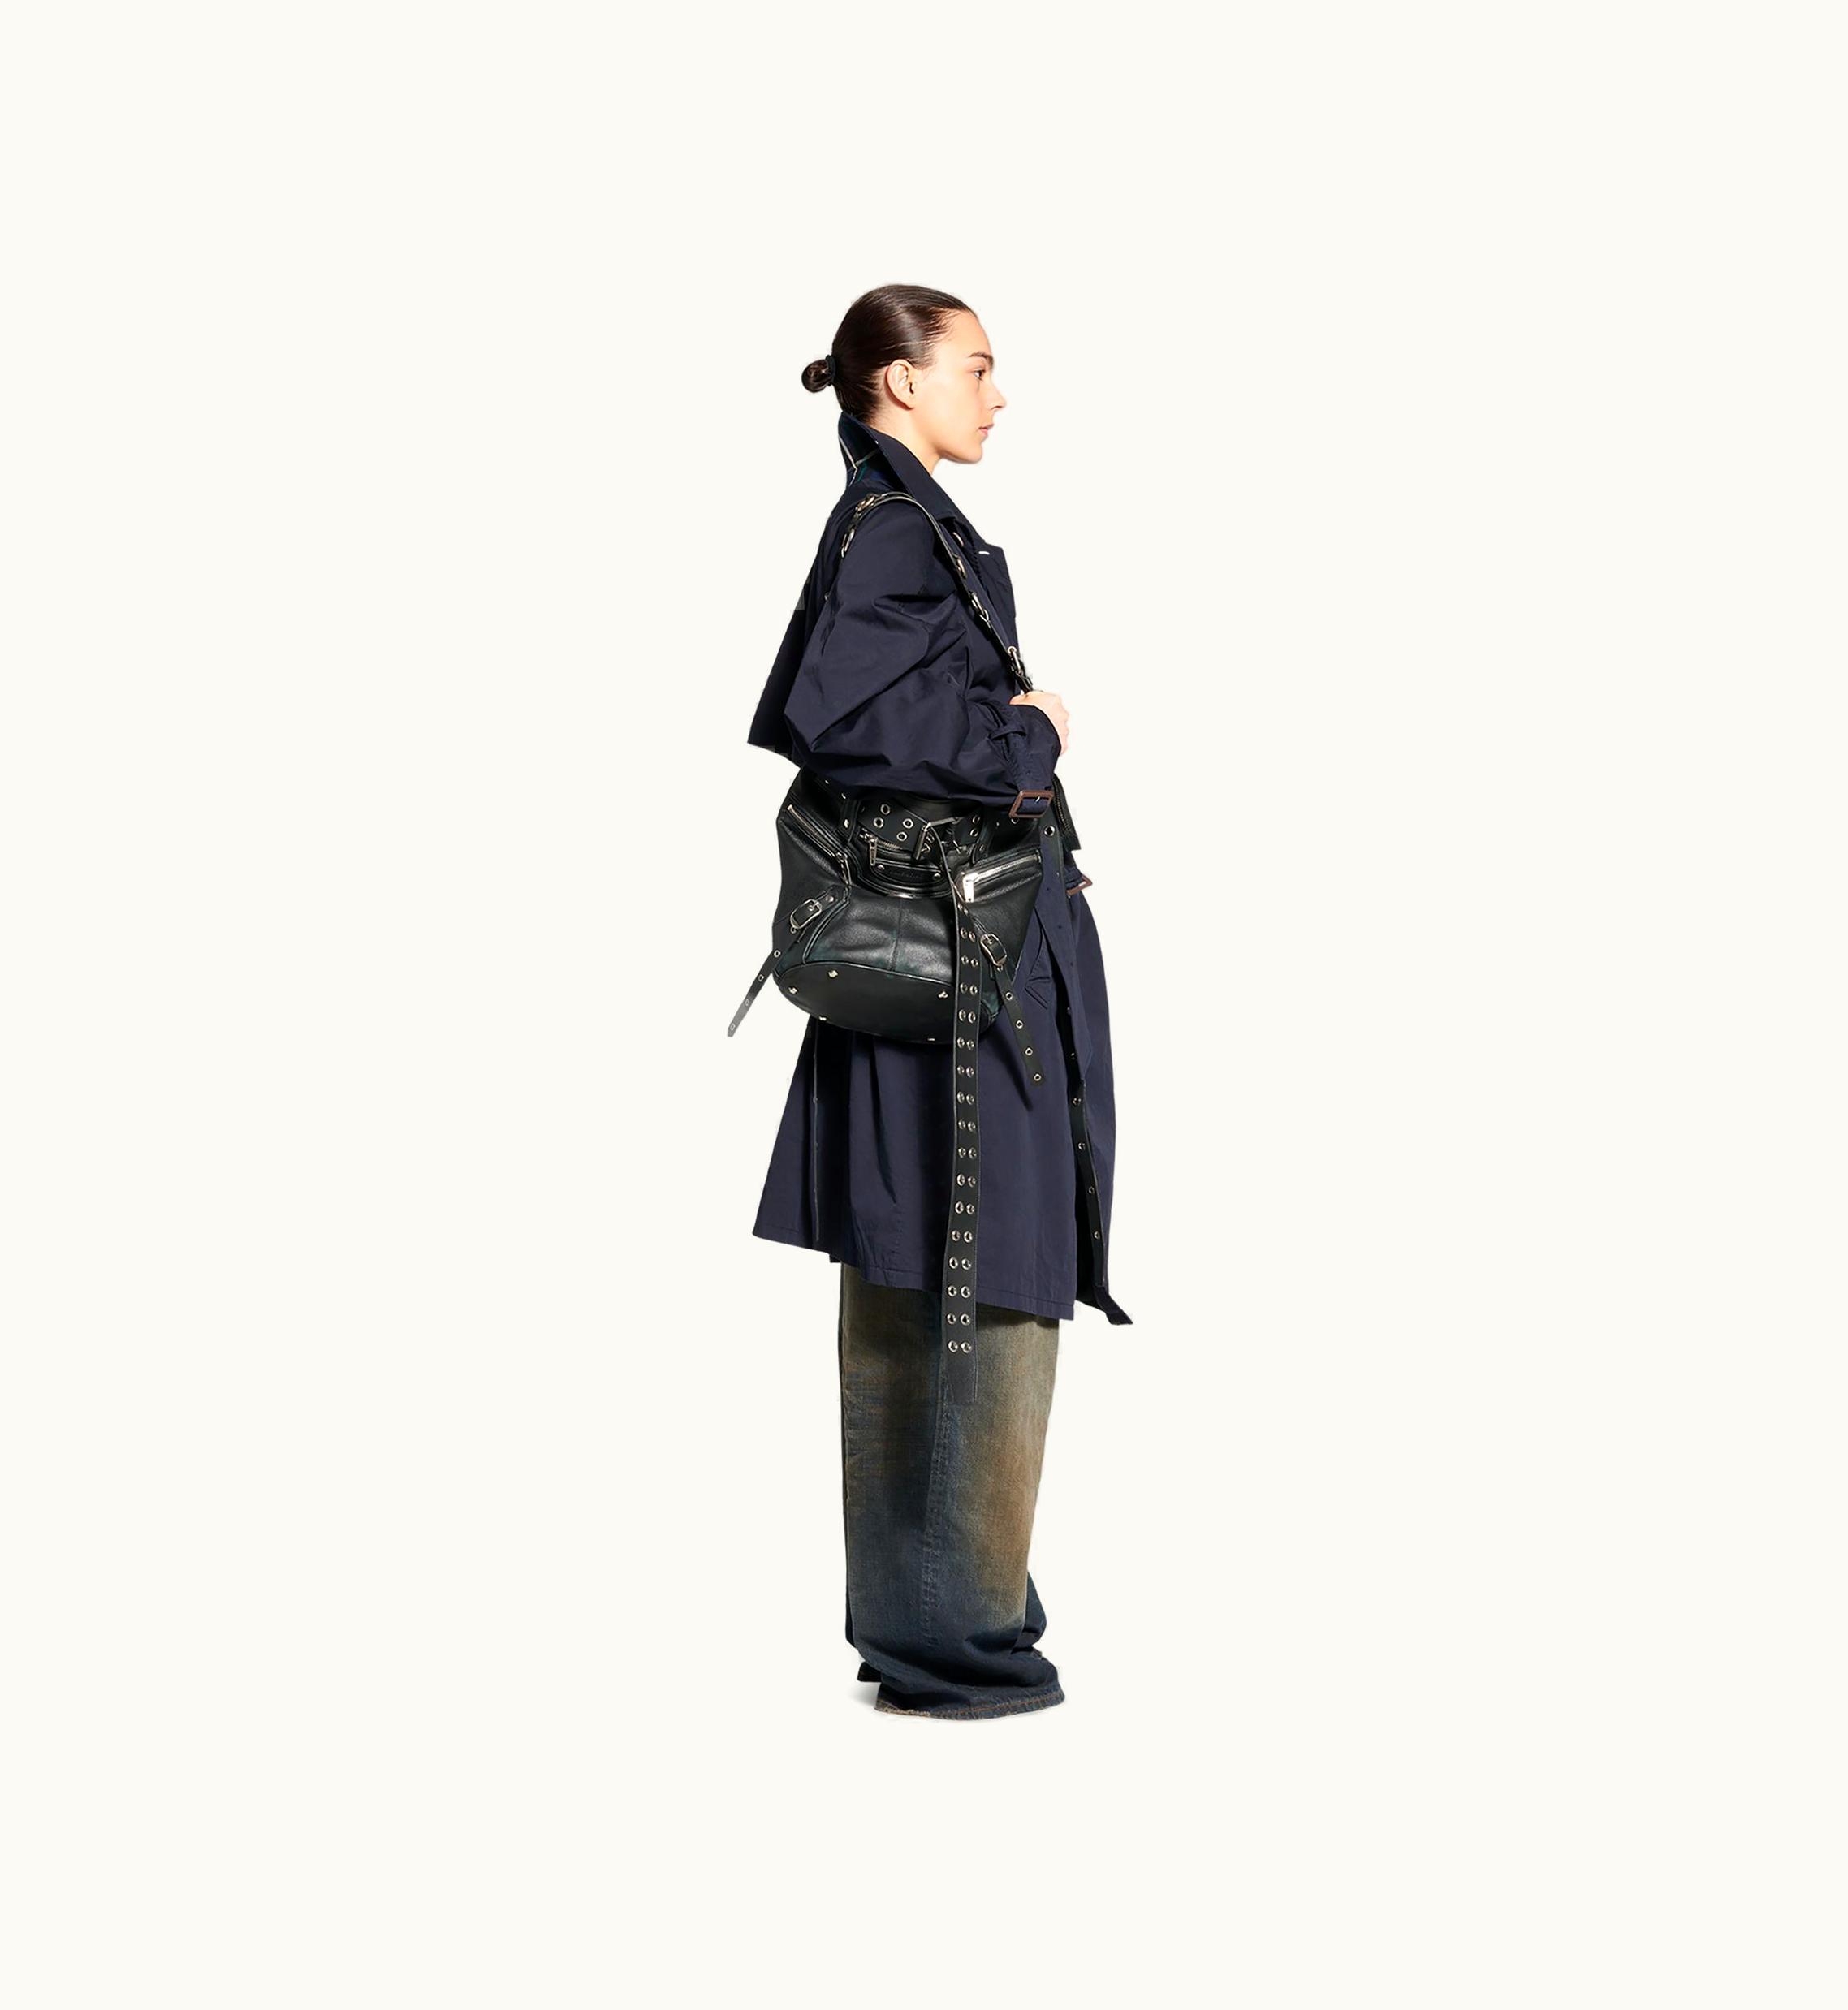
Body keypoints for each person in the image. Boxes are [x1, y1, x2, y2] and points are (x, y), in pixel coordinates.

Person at [743, 284, 1131, 1719]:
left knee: (926, 1272)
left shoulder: (896, 518)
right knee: (983, 1277)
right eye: (975, 365)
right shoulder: (896, 525)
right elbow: (838, 715)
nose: (997, 392)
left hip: (949, 960)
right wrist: (1025, 738)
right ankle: (954, 1634)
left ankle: (938, 1614)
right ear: (900, 382)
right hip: (957, 967)